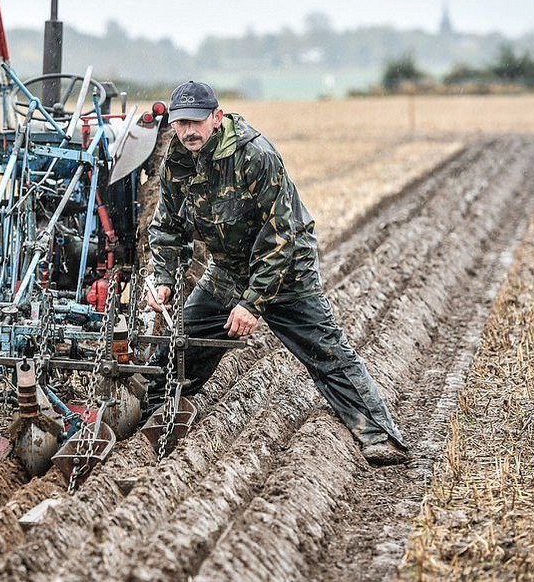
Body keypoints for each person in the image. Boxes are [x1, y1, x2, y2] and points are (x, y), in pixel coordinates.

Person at [145, 80, 409, 465]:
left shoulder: (254, 155)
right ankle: (151, 417)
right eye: (180, 122)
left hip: (286, 268)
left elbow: (281, 233)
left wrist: (252, 303)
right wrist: (164, 279)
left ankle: (379, 435)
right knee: (180, 347)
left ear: (216, 118)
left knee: (326, 351)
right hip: (228, 268)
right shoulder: (177, 160)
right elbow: (167, 224)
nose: (187, 131)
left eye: (195, 122)